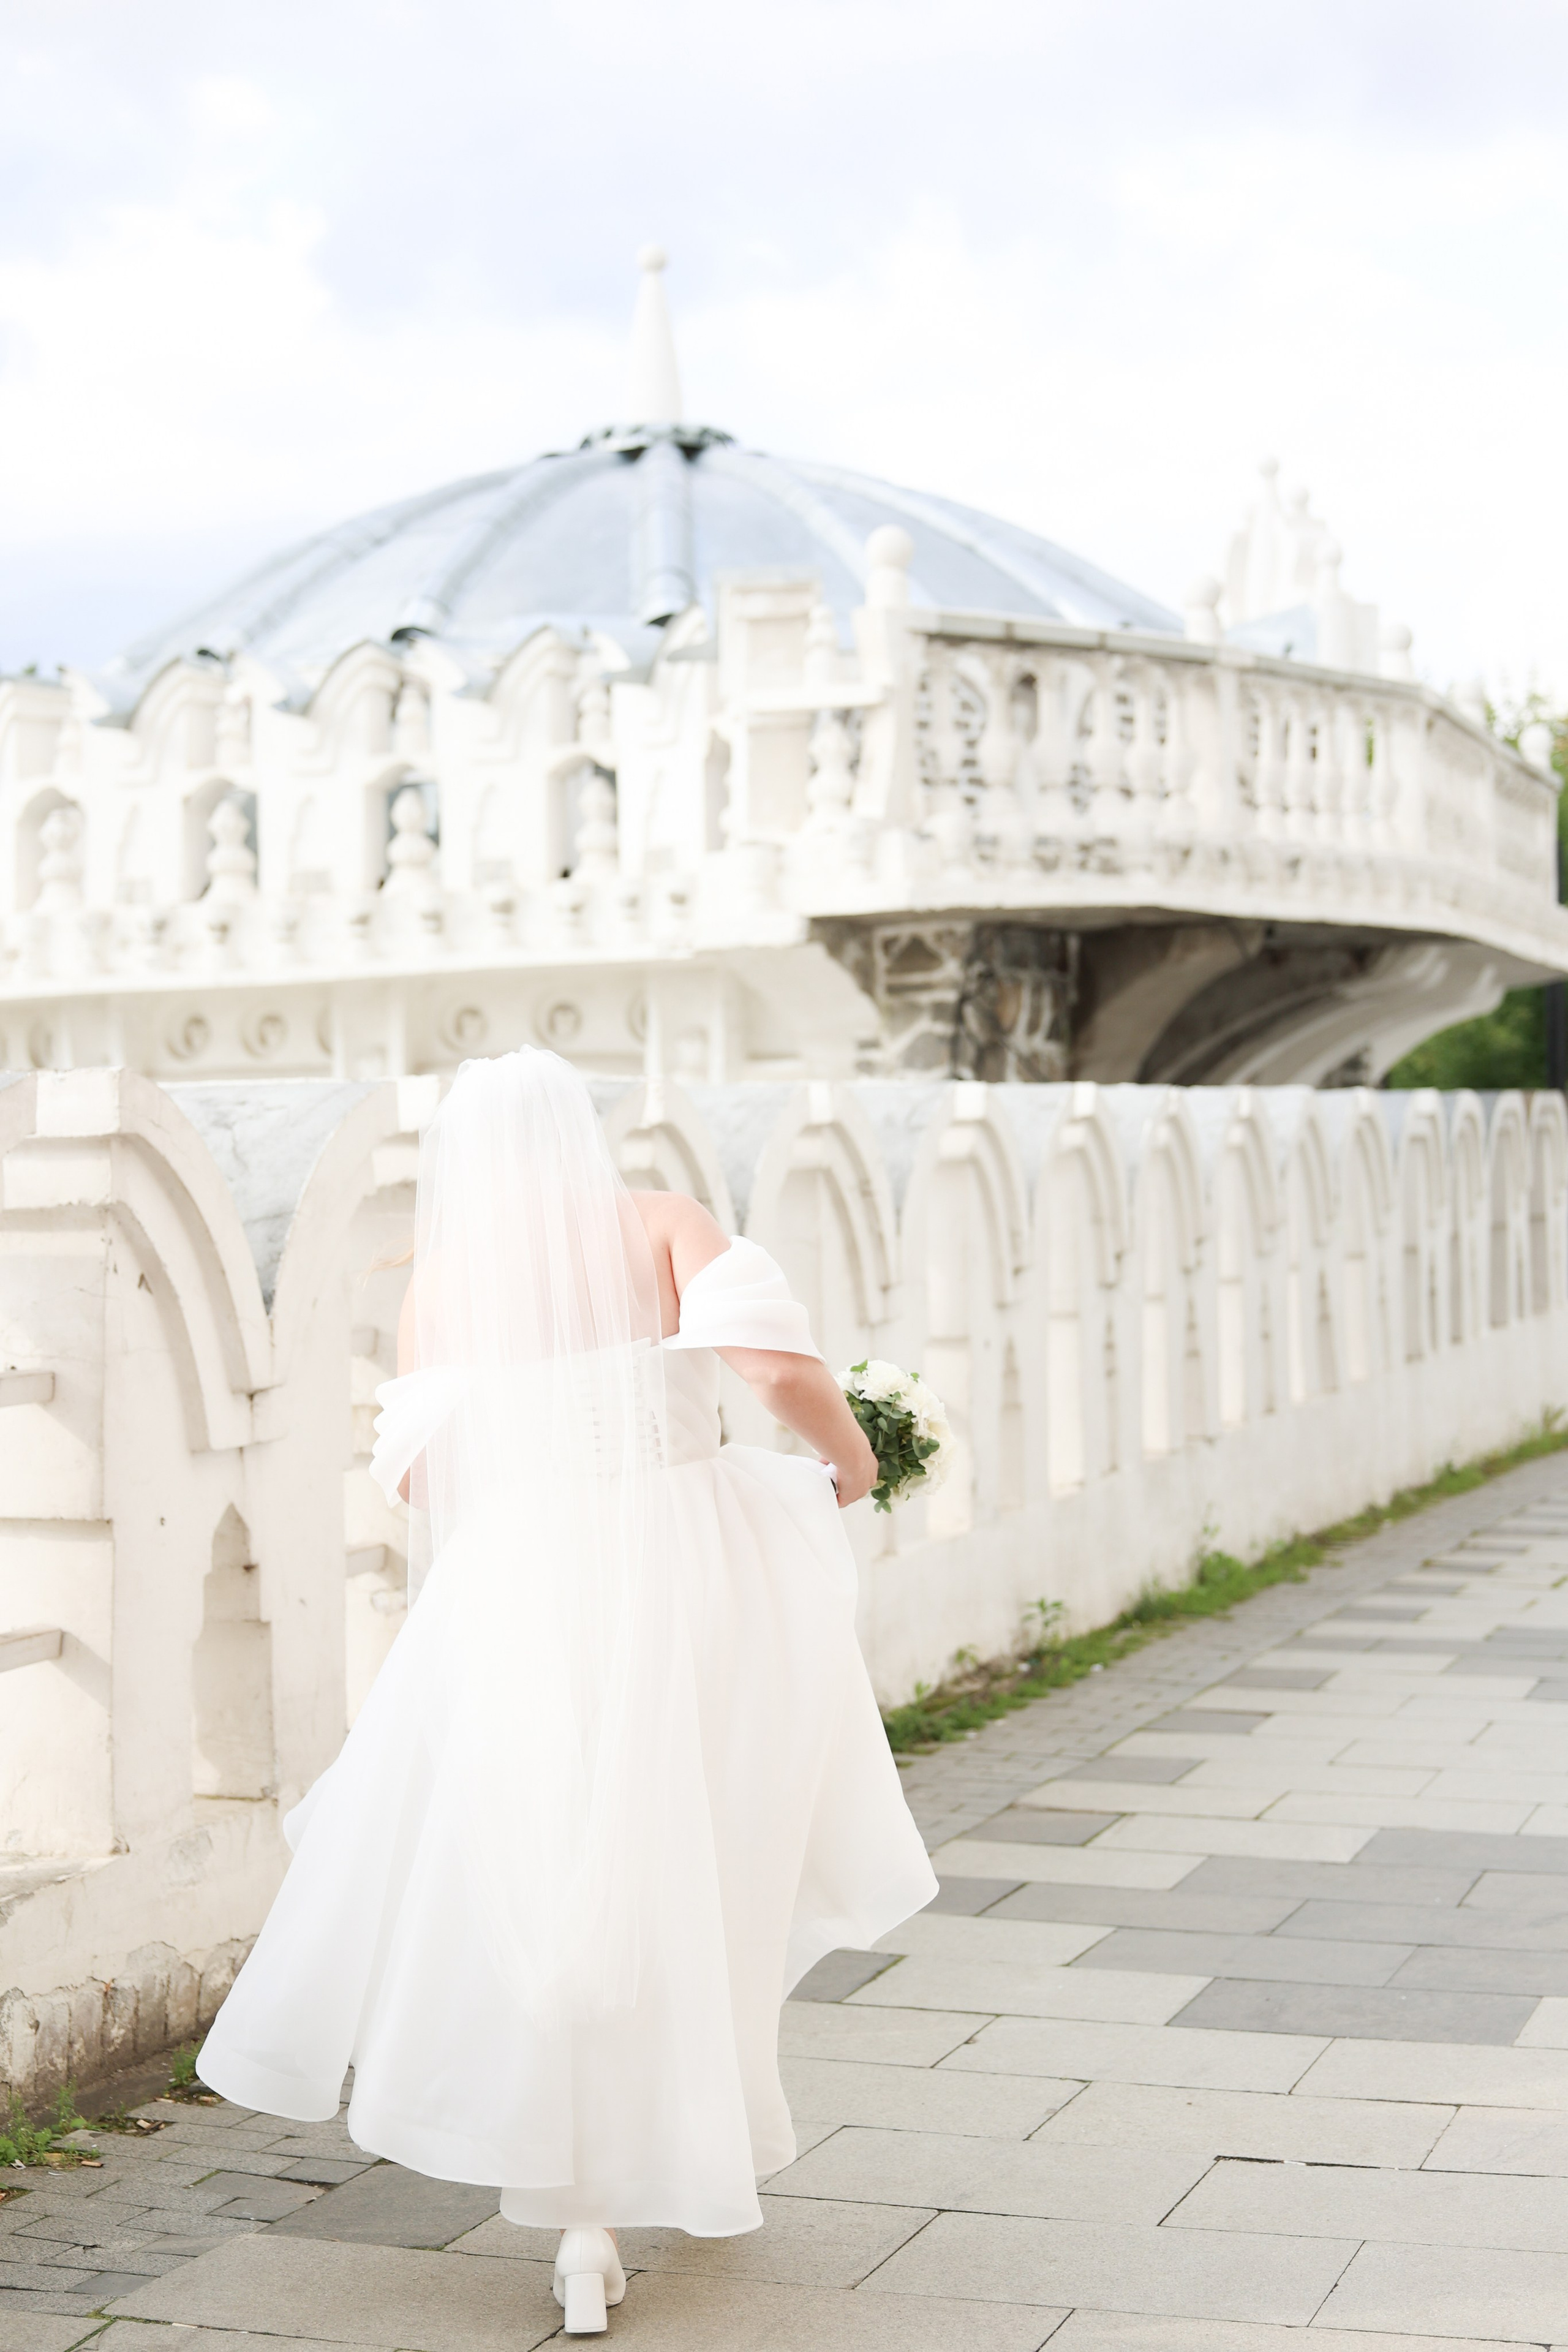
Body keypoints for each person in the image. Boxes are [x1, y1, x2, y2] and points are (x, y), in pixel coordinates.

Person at [197, 1048, 937, 2334]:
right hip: (691, 1568)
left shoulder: (441, 1279)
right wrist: (854, 1458)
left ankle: (578, 2220)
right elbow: (769, 1371)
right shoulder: (661, 1222)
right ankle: (679, 2141)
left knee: (543, 1864)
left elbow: (425, 1484)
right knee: (695, 1852)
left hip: (520, 1584)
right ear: (579, 1133)